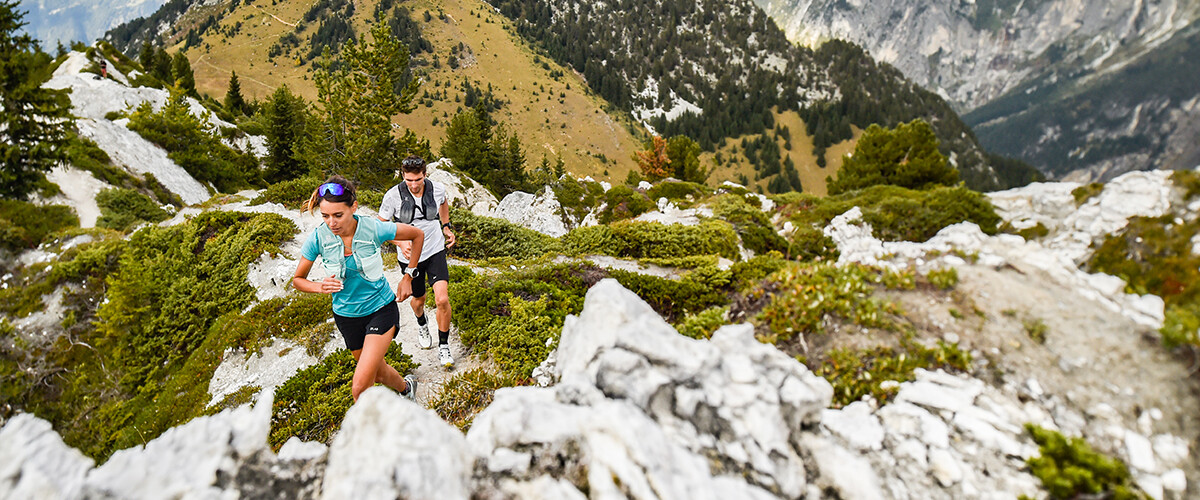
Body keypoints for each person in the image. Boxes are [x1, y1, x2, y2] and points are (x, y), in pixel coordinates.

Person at [292, 175, 426, 402]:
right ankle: (406, 389)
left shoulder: (373, 228)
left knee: (360, 386)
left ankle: (372, 435)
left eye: (338, 215)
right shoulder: (318, 238)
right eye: (325, 216)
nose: (331, 223)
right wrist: (319, 286)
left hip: (380, 309)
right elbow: (298, 280)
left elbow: (417, 235)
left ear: (353, 207)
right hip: (346, 316)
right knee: (378, 372)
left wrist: (408, 276)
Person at [378, 155, 457, 367]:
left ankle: (443, 346)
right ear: (403, 176)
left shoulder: (437, 189)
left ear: (424, 175)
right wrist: (400, 243)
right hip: (410, 256)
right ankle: (422, 323)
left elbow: (443, 203)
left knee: (442, 299)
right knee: (419, 301)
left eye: (418, 179)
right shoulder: (392, 196)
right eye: (409, 180)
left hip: (434, 249)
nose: (413, 185)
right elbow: (381, 227)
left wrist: (446, 226)